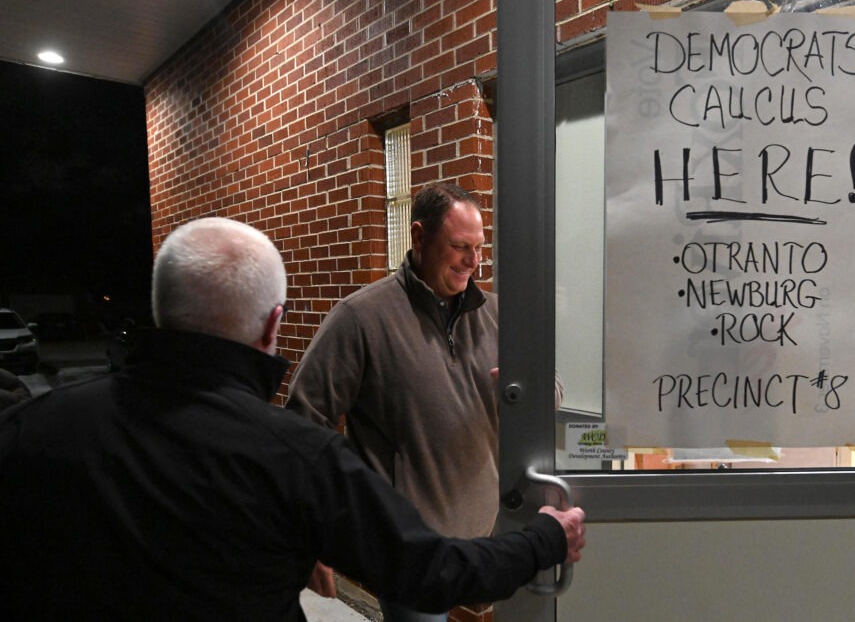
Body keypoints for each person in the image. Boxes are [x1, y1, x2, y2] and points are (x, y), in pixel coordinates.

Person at [0, 217, 585, 620]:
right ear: (273, 323)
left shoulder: (36, 427)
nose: (472, 258)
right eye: (460, 244)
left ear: (161, 308)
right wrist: (544, 540)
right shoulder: (295, 458)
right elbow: (430, 571)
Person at [287, 182, 554, 621]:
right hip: (407, 550)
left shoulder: (497, 316)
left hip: (486, 537)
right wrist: (313, 533)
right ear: (419, 236)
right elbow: (303, 422)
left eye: (479, 247)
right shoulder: (362, 318)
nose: (474, 260)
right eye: (459, 246)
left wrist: (527, 394)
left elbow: (550, 384)